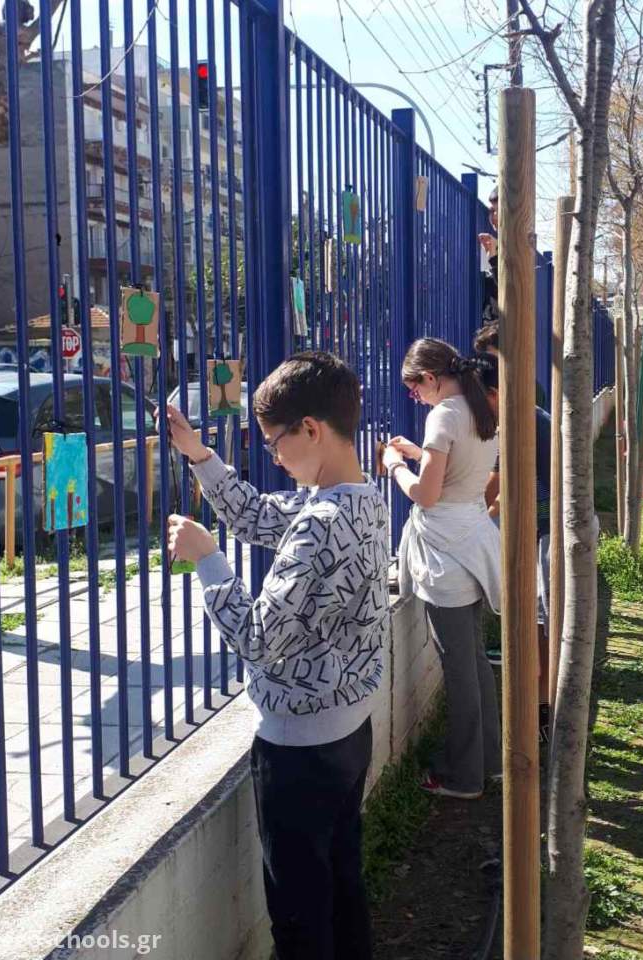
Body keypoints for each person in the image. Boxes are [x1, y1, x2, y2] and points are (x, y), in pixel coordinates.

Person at [161, 351, 389, 959]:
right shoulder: (360, 500)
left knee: (298, 914)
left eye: (274, 441)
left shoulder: (321, 521)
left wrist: (209, 560)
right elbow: (259, 515)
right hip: (349, 730)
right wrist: (201, 457)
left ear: (310, 428)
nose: (273, 456)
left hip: (300, 750)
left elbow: (258, 638)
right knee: (341, 885)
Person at [384, 337, 501, 799]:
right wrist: (420, 453)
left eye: (415, 388)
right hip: (472, 543)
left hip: (444, 556)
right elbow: (461, 472)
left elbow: (427, 495)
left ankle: (464, 777)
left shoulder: (443, 415)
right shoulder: (479, 408)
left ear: (431, 378)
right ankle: (489, 761)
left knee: (459, 669)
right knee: (475, 661)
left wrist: (395, 466)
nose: (415, 397)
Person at [476, 351, 553, 739]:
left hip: (551, 535)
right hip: (545, 531)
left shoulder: (519, 424)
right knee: (540, 625)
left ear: (493, 394)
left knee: (547, 628)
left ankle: (543, 715)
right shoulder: (528, 414)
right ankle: (541, 710)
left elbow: (491, 489)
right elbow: (498, 494)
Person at [477, 187, 500, 326]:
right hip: (489, 328)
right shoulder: (492, 244)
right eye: (492, 211)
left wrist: (494, 258)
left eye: (499, 210)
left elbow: (507, 290)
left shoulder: (520, 248)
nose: (494, 216)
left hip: (505, 330)